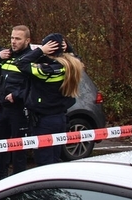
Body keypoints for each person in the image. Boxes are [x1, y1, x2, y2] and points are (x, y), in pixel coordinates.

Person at [13, 33, 84, 166]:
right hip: (60, 118)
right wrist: (68, 48)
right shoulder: (71, 65)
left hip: (44, 121)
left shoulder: (47, 70)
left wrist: (40, 50)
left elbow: (20, 63)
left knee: (44, 162)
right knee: (54, 160)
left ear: (49, 49)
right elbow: (77, 57)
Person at [0, 25, 34, 182]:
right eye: (12, 38)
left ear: (27, 40)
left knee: (18, 149)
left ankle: (18, 182)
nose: (13, 41)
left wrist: (17, 95)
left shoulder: (31, 58)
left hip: (19, 110)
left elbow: (34, 85)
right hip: (2, 108)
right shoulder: (6, 55)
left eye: (18, 39)